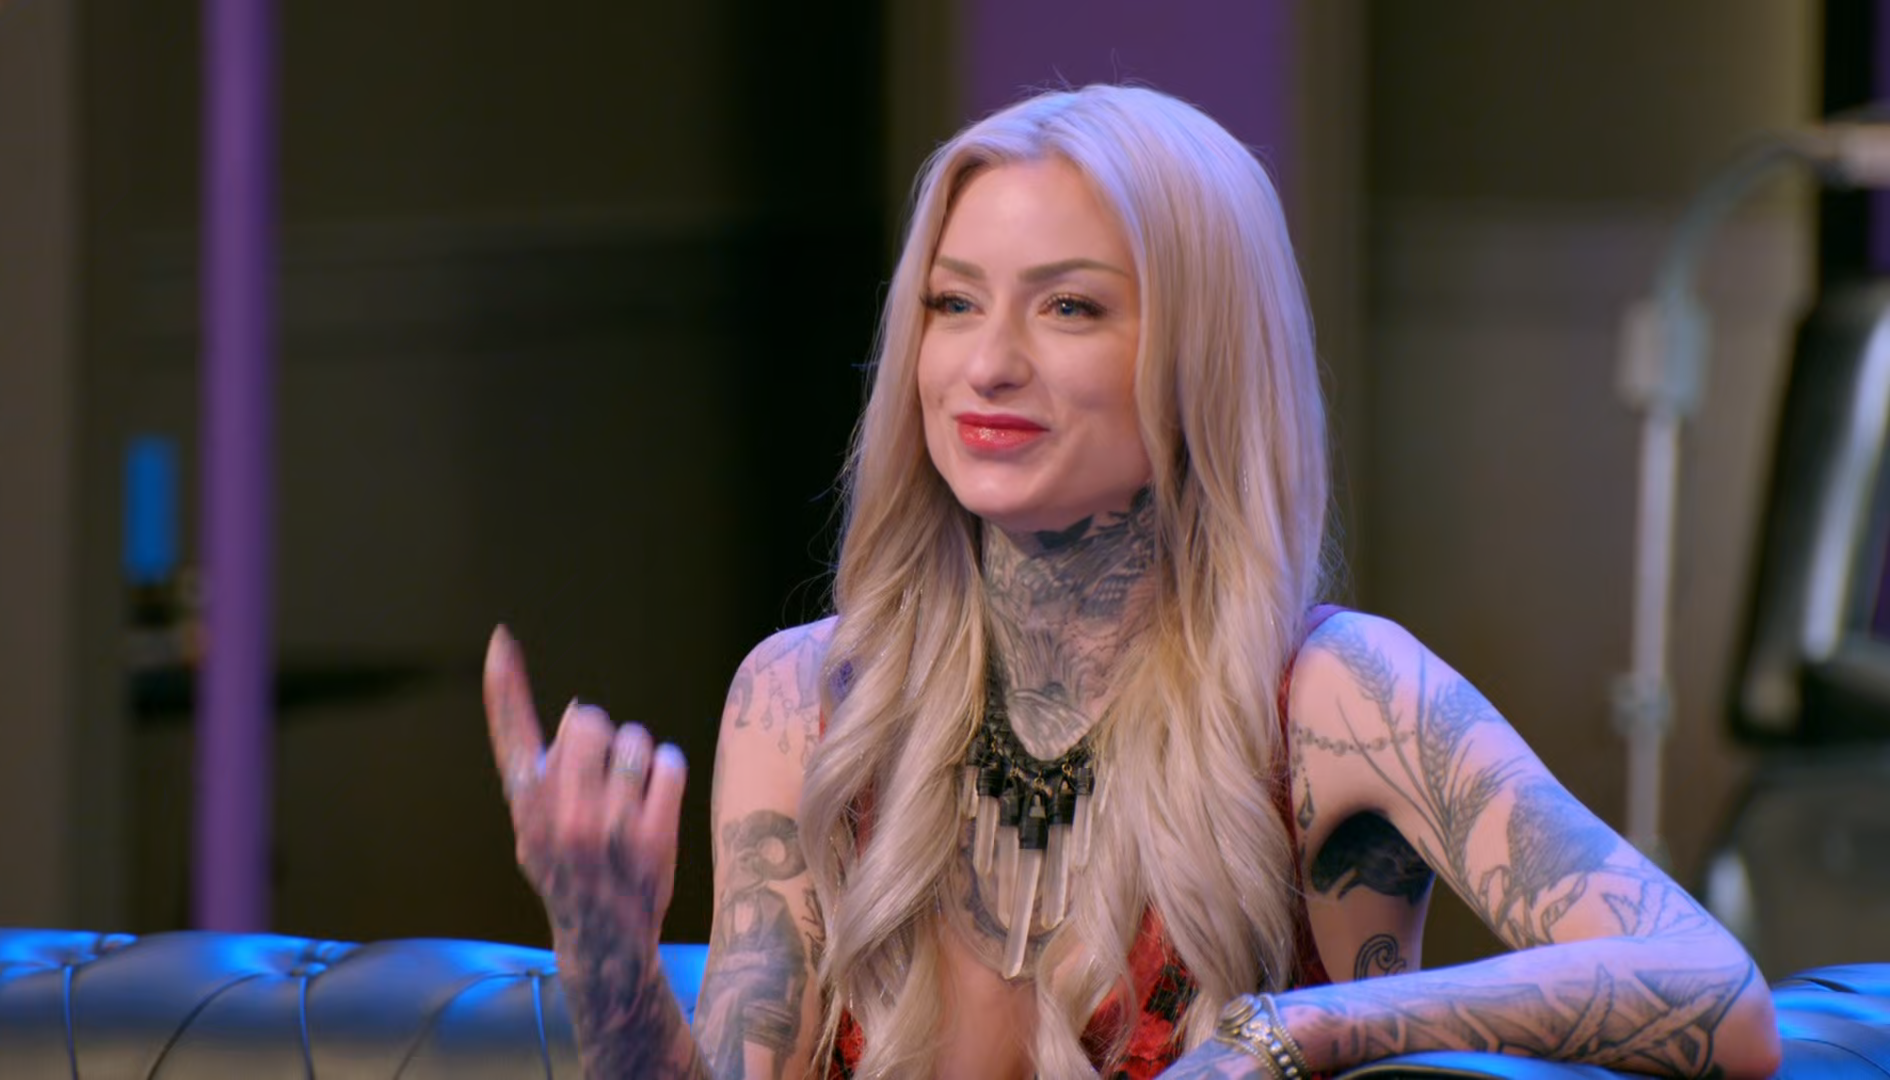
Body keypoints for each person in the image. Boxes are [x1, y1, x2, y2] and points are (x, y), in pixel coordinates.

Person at [481, 85, 1781, 1080]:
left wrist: (1296, 1033)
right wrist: (607, 958)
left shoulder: (1337, 695)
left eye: (1069, 309)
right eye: (952, 303)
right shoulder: (808, 698)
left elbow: (1715, 993)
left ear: (1204, 356)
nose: (986, 364)